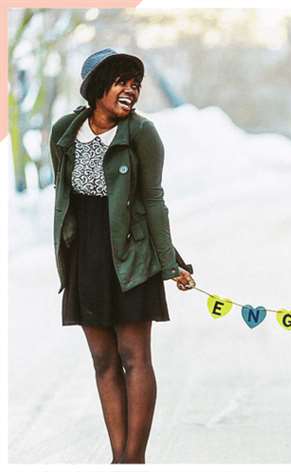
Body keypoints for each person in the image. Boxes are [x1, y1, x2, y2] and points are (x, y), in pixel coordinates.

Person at [49, 48, 196, 463]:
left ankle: (134, 459)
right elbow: (66, 199)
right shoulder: (64, 132)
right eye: (121, 81)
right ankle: (118, 458)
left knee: (135, 357)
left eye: (136, 84)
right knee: (102, 360)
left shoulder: (142, 134)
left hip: (132, 256)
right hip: (86, 257)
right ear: (97, 86)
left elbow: (152, 201)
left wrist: (171, 264)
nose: (131, 89)